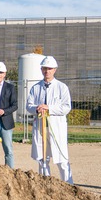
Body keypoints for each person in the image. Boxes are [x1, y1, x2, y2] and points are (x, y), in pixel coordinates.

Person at [26, 56, 73, 184]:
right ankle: (45, 184)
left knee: (62, 158)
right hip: (40, 127)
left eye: (50, 69)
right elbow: (29, 105)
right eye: (45, 68)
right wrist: (37, 108)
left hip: (56, 128)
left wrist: (49, 108)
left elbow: (66, 107)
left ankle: (69, 185)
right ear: (41, 70)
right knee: (42, 159)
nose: (47, 71)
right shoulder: (35, 88)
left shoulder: (62, 87)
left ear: (55, 70)